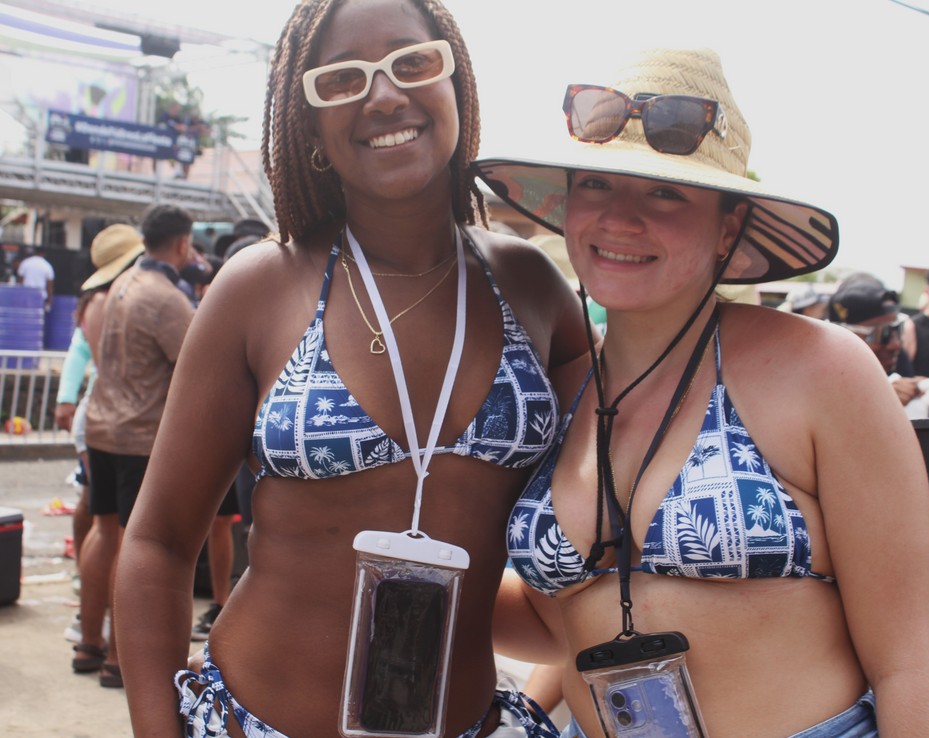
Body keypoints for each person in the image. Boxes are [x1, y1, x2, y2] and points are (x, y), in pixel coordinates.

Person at [115, 1, 588, 737]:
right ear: (308, 124)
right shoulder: (259, 290)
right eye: (342, 78)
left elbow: (596, 546)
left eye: (412, 62)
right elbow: (158, 543)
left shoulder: (536, 291)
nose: (385, 96)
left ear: (456, 83)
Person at [474, 47, 929, 736]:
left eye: (665, 193)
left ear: (729, 226)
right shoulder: (559, 393)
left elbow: (911, 664)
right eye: (597, 185)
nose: (619, 219)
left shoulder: (822, 371)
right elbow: (558, 624)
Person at [81, 205, 196, 690]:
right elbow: (198, 365)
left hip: (101, 426)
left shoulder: (119, 285)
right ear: (182, 243)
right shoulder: (167, 298)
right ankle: (116, 659)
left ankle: (89, 643)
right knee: (133, 544)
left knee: (103, 531)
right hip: (140, 436)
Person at [56, 224, 145, 647]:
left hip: (95, 417)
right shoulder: (129, 300)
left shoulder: (92, 303)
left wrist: (65, 399)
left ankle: (88, 630)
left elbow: (77, 356)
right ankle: (109, 639)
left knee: (100, 521)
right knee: (122, 531)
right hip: (125, 423)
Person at [828, 277, 924, 407]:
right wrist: (878, 400)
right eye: (883, 333)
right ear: (843, 335)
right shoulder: (817, 377)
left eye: (897, 330)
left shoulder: (898, 359)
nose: (895, 344)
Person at [17, 245, 55, 311]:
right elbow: (49, 285)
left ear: (34, 252)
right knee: (38, 315)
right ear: (44, 253)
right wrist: (49, 301)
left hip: (26, 294)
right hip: (40, 295)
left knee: (26, 313)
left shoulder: (25, 263)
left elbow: (20, 281)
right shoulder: (47, 266)